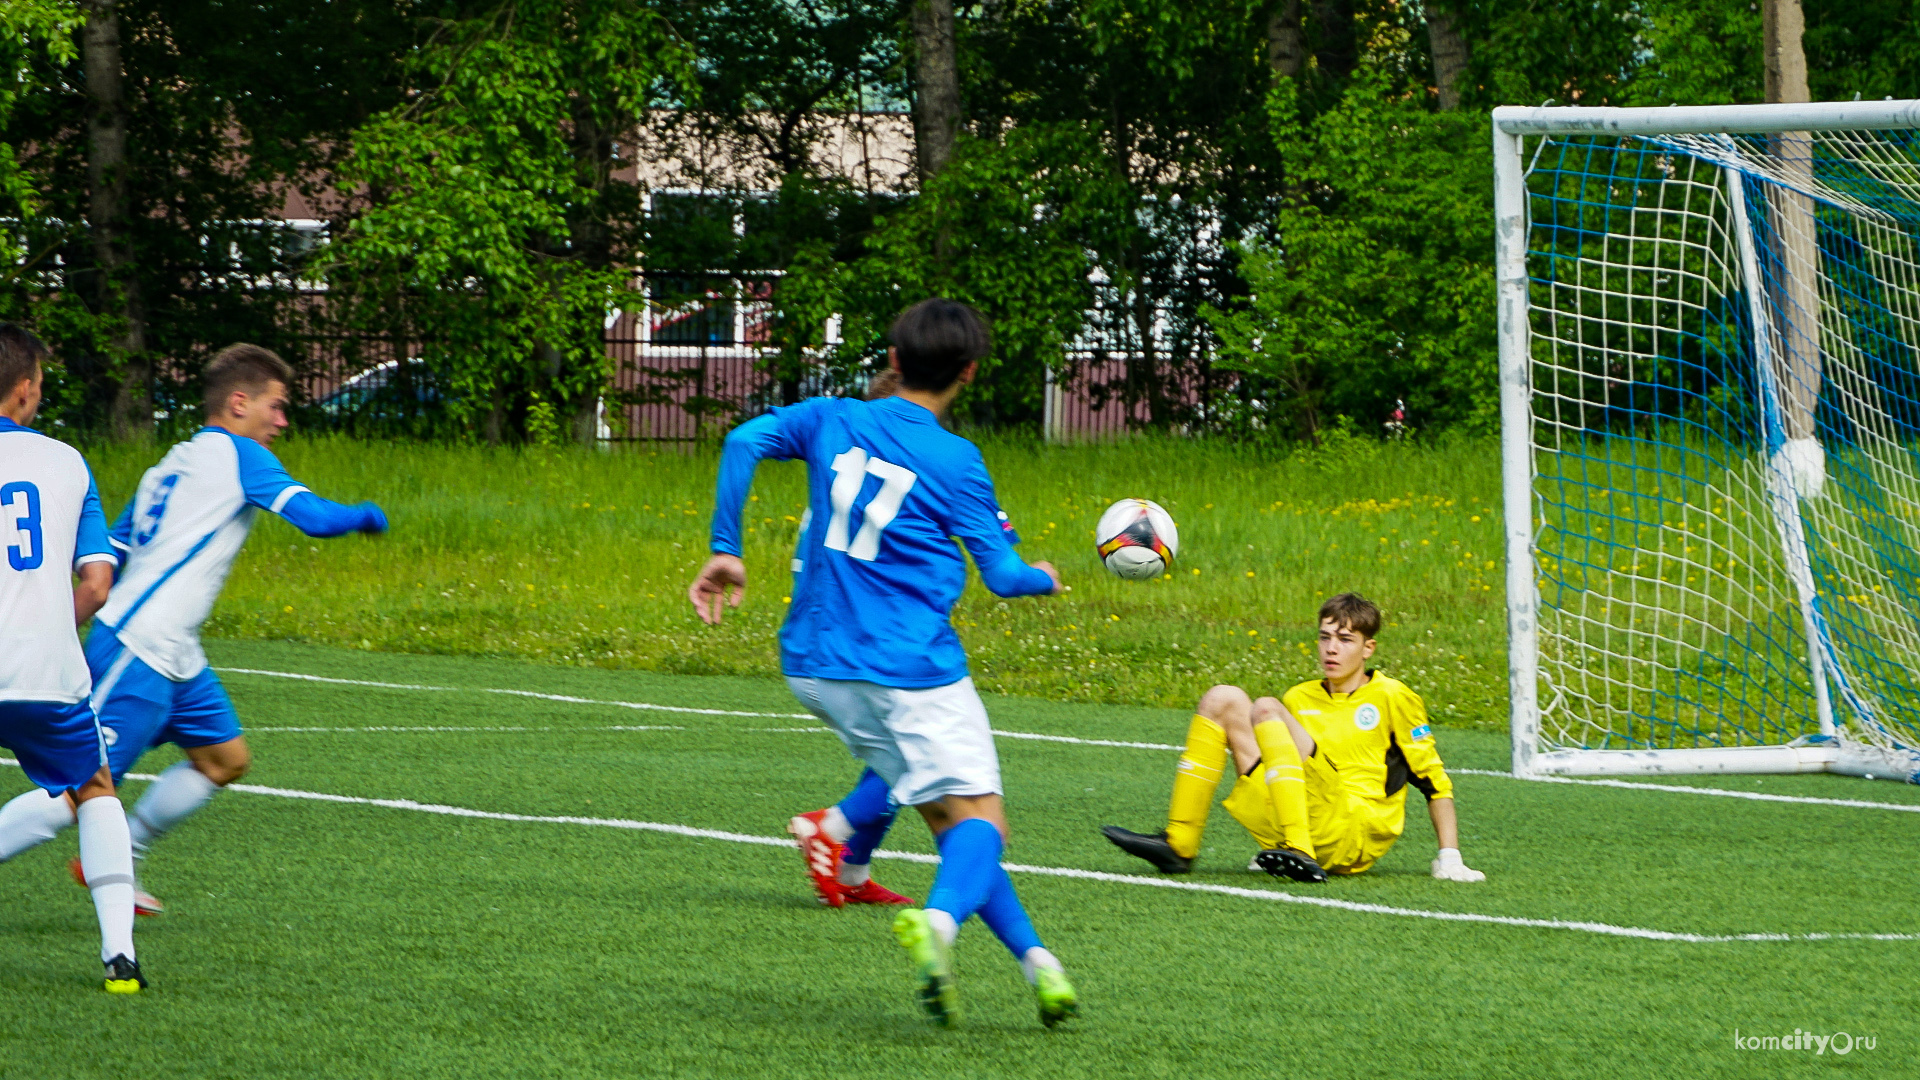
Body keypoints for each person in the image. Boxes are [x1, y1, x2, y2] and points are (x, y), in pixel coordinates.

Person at [688, 298, 1077, 1028]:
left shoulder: (832, 416)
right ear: (968, 372)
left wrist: (726, 548)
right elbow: (1002, 575)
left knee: (948, 817)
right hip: (909, 671)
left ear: (893, 361)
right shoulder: (956, 461)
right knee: (983, 824)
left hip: (815, 667)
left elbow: (741, 441)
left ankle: (1040, 966)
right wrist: (1046, 577)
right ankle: (939, 923)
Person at [0, 343, 387, 914]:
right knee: (79, 792)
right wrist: (366, 516)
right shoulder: (239, 455)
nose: (282, 421)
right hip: (139, 645)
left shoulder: (172, 462)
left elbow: (115, 548)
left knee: (224, 760)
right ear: (238, 403)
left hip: (174, 651)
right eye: (276, 407)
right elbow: (315, 519)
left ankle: (122, 855)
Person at [1102, 593, 1487, 885]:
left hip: (1352, 829)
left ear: (1369, 648)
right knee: (1223, 699)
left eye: (1345, 639)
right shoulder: (1300, 697)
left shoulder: (1392, 696)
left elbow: (1433, 779)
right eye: (1324, 638)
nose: (1331, 648)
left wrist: (1449, 856)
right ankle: (1180, 844)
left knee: (1266, 708)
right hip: (1306, 815)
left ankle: (1299, 849)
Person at [0, 323, 145, 991]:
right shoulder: (67, 461)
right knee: (93, 789)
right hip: (47, 672)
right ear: (27, 390)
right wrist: (54, 621)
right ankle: (120, 957)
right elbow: (96, 582)